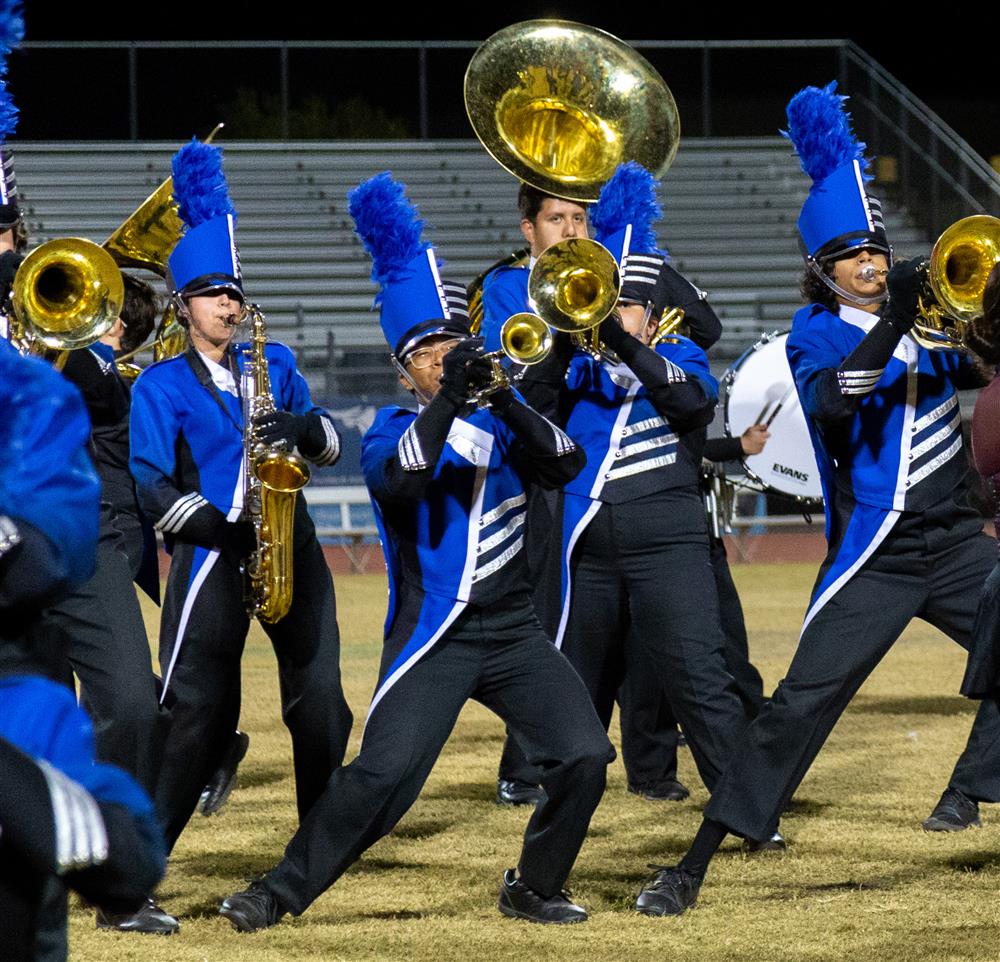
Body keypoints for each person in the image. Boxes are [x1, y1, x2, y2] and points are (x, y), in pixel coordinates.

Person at [635, 81, 1000, 918]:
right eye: (852, 254)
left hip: (953, 540)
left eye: (876, 248)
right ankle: (693, 866)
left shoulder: (927, 324)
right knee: (800, 707)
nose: (872, 262)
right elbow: (838, 401)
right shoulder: (818, 334)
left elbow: (979, 364)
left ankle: (968, 792)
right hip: (877, 549)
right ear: (820, 269)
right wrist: (895, 320)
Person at [218, 172, 612, 931]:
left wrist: (499, 397)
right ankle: (278, 890)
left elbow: (562, 463)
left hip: (514, 631)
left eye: (452, 346)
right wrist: (452, 402)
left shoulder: (505, 413)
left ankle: (534, 883)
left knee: (585, 754)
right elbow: (402, 483)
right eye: (427, 354)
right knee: (383, 777)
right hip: (437, 634)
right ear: (405, 370)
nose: (443, 361)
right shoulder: (393, 430)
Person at [509, 162, 754, 825]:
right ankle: (559, 811)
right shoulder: (572, 363)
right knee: (572, 683)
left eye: (626, 302)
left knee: (700, 678)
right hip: (586, 544)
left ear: (650, 309)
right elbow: (530, 417)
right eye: (606, 302)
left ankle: (747, 809)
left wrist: (622, 338)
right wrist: (566, 339)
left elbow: (693, 404)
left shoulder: (679, 355)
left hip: (670, 537)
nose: (612, 313)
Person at [129, 138, 352, 864]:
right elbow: (150, 485)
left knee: (323, 707)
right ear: (184, 305)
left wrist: (300, 427)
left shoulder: (276, 362)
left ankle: (313, 851)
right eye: (213, 293)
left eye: (235, 291)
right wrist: (222, 531)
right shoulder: (161, 386)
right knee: (198, 716)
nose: (229, 303)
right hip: (213, 558)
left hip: (292, 543)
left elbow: (331, 447)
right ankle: (139, 872)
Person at [619, 424, 771, 801]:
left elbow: (688, 436)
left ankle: (757, 764)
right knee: (647, 661)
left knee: (731, 652)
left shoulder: (683, 379)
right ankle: (651, 772)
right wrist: (738, 445)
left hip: (698, 532)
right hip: (648, 534)